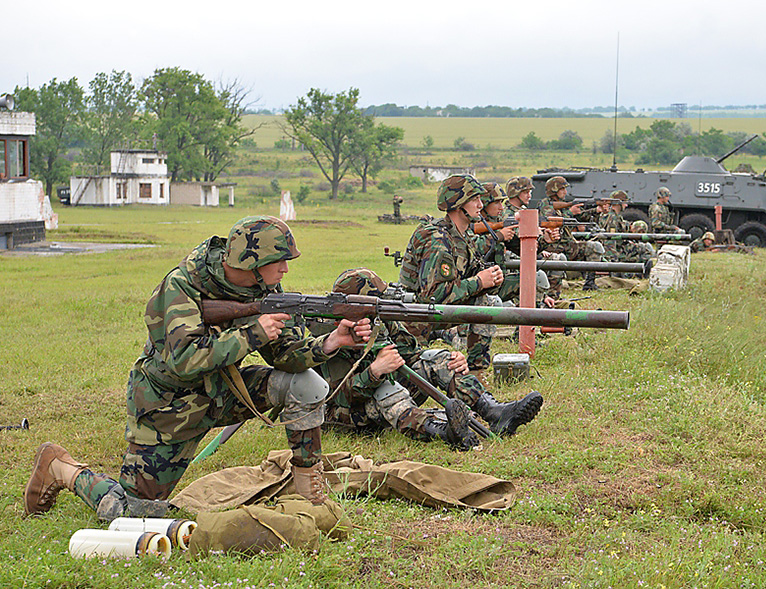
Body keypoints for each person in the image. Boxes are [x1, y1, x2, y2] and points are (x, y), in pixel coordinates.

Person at [24, 216, 373, 521]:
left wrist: (332, 342)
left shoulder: (264, 286)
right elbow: (184, 360)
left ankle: (308, 495)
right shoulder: (180, 286)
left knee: (307, 384)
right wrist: (253, 332)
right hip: (168, 406)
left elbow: (286, 356)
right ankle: (62, 468)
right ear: (253, 260)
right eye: (280, 261)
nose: (285, 270)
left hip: (223, 391)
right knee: (135, 513)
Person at [314, 268, 542, 445]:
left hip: (377, 392)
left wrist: (451, 363)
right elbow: (339, 397)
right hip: (347, 414)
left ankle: (495, 412)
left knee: (437, 359)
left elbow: (411, 357)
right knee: (388, 390)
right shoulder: (330, 336)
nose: (380, 306)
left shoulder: (378, 321)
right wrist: (375, 372)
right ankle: (443, 433)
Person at [398, 174, 505, 375]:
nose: (481, 205)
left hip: (434, 310)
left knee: (488, 302)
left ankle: (474, 371)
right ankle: (472, 373)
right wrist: (479, 282)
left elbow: (471, 276)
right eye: (474, 199)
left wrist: (491, 280)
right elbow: (434, 295)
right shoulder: (438, 239)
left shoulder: (463, 236)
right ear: (458, 204)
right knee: (484, 304)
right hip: (414, 317)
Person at [538, 176, 606, 291]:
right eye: (562, 189)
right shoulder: (546, 204)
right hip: (554, 247)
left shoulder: (563, 205)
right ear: (554, 190)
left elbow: (580, 217)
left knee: (595, 247)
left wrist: (596, 210)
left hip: (567, 246)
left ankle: (589, 284)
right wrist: (570, 212)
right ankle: (553, 290)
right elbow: (551, 222)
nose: (565, 192)